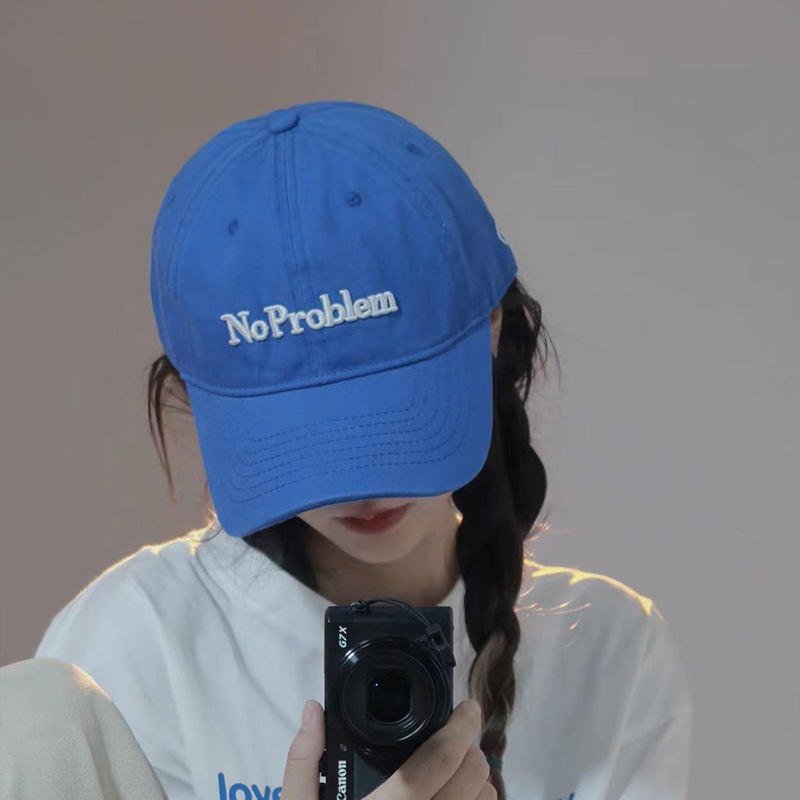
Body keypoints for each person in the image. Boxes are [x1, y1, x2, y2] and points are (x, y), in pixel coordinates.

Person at [21, 101, 692, 800]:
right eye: (299, 437)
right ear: (198, 396)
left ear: (491, 327)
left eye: (392, 416)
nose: (359, 487)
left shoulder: (612, 655)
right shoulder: (127, 648)